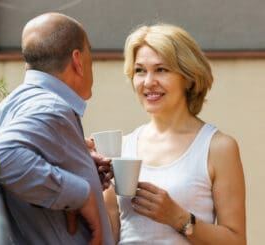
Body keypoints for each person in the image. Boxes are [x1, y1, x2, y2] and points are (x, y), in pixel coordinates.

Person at [0, 12, 114, 245]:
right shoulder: (51, 108)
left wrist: (79, 161)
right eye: (90, 52)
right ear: (77, 60)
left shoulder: (15, 101)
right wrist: (80, 194)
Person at [103, 23, 246, 244]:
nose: (148, 82)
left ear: (188, 78)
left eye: (161, 69)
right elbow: (110, 234)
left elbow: (236, 240)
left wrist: (178, 218)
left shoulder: (218, 147)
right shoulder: (122, 147)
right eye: (140, 70)